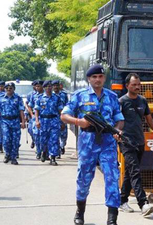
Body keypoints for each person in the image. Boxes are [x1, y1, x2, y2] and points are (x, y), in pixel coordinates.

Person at [61, 64, 124, 225]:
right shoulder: (79, 95)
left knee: (112, 177)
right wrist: (79, 122)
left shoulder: (111, 96)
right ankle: (80, 212)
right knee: (84, 177)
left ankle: (112, 219)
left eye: (100, 77)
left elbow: (119, 118)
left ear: (104, 78)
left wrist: (117, 130)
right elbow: (64, 115)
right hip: (87, 142)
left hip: (107, 142)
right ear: (89, 79)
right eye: (94, 77)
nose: (97, 80)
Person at [118, 73, 153, 216]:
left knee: (130, 172)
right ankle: (143, 204)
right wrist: (117, 134)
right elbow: (117, 122)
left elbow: (149, 120)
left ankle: (122, 201)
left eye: (139, 84)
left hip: (139, 141)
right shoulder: (121, 102)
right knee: (135, 172)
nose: (137, 87)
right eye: (134, 84)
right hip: (126, 142)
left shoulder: (142, 101)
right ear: (127, 86)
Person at [0, 82, 26, 165]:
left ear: (14, 89)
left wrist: (23, 122)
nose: (8, 89)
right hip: (5, 121)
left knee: (15, 140)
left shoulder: (18, 98)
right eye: (7, 88)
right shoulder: (1, 98)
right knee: (6, 139)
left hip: (15, 121)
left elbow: (21, 110)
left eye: (10, 88)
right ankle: (7, 154)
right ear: (5, 89)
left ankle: (14, 157)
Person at [34, 80, 63, 165]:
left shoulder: (57, 98)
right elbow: (36, 110)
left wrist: (62, 122)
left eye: (50, 86)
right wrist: (37, 120)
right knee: (43, 139)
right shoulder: (39, 98)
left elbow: (60, 110)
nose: (49, 88)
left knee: (54, 139)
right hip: (43, 121)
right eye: (47, 87)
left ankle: (53, 158)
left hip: (54, 120)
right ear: (44, 88)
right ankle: (44, 152)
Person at [52, 80, 69, 158]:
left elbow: (67, 105)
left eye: (57, 85)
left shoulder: (64, 95)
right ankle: (57, 152)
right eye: (54, 85)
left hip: (63, 116)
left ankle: (62, 146)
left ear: (60, 86)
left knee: (64, 135)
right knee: (55, 136)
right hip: (53, 118)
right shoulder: (50, 96)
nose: (55, 87)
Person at [28, 80, 44, 159]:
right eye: (36, 86)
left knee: (44, 136)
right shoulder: (33, 95)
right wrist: (31, 114)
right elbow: (29, 105)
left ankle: (45, 152)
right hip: (36, 118)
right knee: (36, 135)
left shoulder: (47, 95)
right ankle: (38, 151)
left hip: (45, 118)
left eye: (38, 86)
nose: (37, 88)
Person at [25, 81, 37, 149]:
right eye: (34, 85)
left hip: (41, 116)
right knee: (30, 130)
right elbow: (27, 104)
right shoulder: (30, 94)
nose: (35, 87)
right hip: (32, 115)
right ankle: (33, 140)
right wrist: (27, 114)